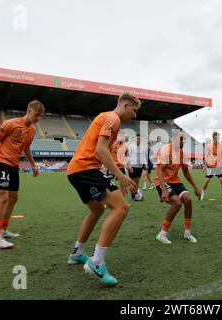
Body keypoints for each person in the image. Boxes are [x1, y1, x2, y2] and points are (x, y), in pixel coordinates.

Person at [66, 92, 139, 286]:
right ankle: (97, 262)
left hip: (77, 170)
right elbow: (100, 150)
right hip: (85, 169)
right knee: (122, 207)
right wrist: (121, 176)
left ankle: (76, 253)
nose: (135, 115)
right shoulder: (113, 118)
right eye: (134, 110)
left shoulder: (107, 117)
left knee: (97, 210)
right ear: (124, 106)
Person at [0, 100, 44, 249]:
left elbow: (26, 148)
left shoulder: (32, 131)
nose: (38, 118)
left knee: (13, 198)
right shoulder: (10, 123)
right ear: (29, 110)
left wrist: (33, 165)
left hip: (14, 166)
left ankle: (3, 229)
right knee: (2, 197)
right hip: (0, 163)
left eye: (41, 116)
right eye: (37, 114)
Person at [155, 131, 201, 244]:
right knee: (177, 203)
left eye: (184, 140)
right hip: (162, 182)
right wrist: (164, 190)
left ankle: (187, 232)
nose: (183, 142)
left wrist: (195, 187)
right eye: (180, 139)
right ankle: (162, 234)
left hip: (175, 181)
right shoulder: (166, 150)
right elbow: (160, 171)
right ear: (173, 139)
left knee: (188, 200)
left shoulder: (182, 153)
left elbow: (185, 171)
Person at [200, 132, 222, 201]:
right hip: (210, 165)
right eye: (215, 138)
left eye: (218, 138)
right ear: (213, 138)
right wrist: (205, 165)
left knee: (221, 180)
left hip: (218, 166)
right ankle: (202, 194)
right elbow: (206, 156)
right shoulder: (209, 146)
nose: (217, 139)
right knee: (207, 181)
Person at [127, 133, 148, 200]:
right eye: (137, 138)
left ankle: (135, 194)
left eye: (139, 139)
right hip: (132, 166)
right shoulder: (130, 146)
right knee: (132, 182)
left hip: (140, 166)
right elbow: (127, 156)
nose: (138, 140)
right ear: (134, 139)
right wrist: (129, 164)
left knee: (137, 181)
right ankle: (133, 193)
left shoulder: (143, 147)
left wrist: (145, 164)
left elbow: (143, 156)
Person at [110, 132, 129, 196]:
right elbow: (107, 152)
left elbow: (126, 155)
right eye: (120, 136)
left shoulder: (126, 146)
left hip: (121, 167)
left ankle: (123, 199)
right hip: (112, 166)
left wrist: (128, 164)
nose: (121, 138)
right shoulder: (113, 143)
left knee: (122, 185)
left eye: (123, 137)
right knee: (108, 183)